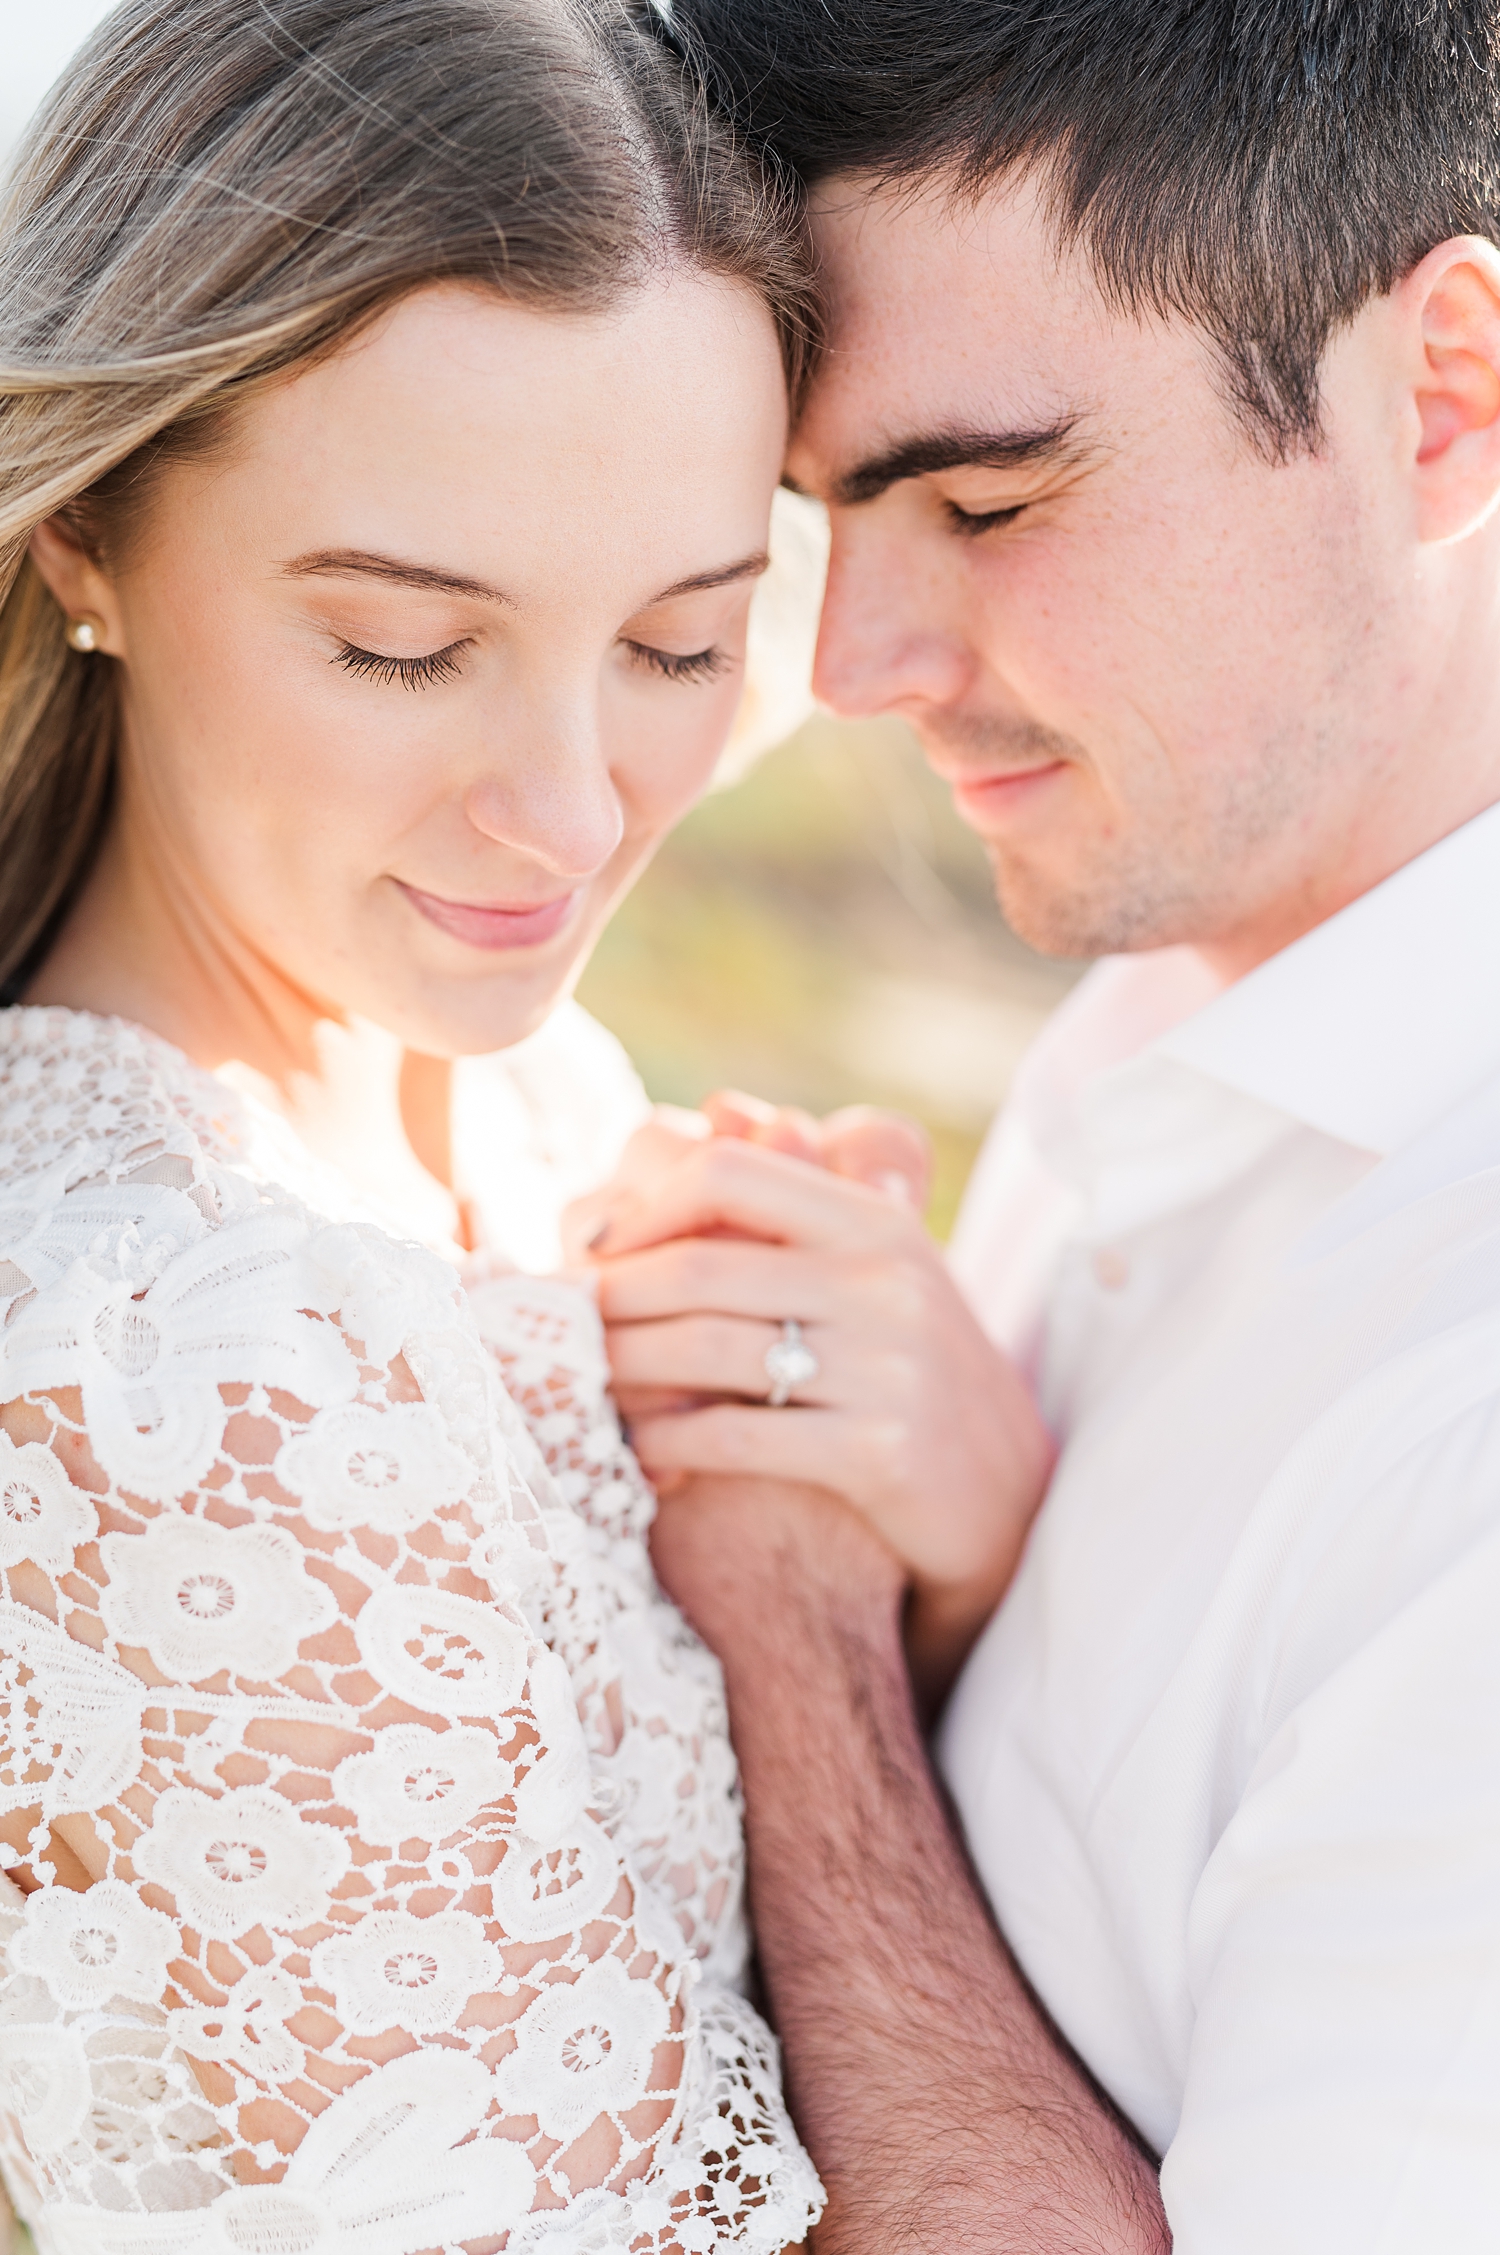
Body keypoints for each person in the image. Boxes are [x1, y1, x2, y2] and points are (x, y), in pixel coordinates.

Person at [582, 3, 1500, 2249]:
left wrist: (807, 1642)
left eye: (986, 498)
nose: (854, 664)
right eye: (826, 524)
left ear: (1440, 395)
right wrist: (967, 1584)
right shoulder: (1175, 986)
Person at [0, 2, 830, 2247]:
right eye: (398, 646)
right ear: (83, 531)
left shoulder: (529, 1103)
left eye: (678, 646)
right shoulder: (178, 1358)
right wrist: (830, 1606)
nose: (571, 815)